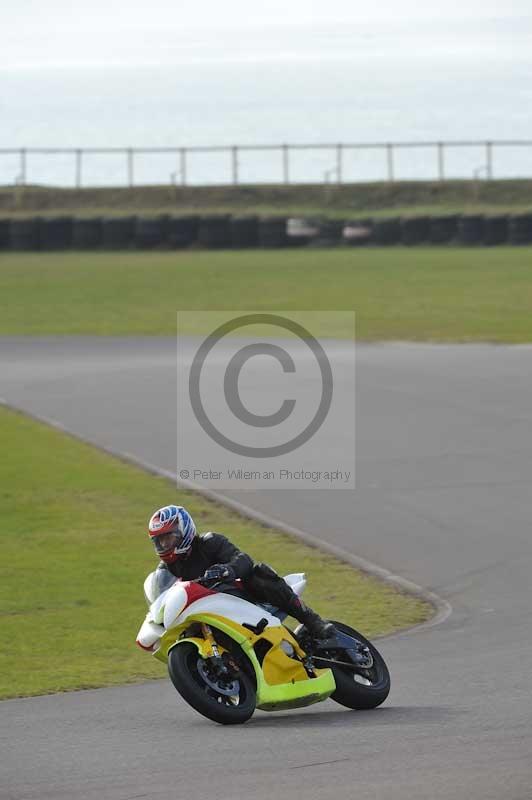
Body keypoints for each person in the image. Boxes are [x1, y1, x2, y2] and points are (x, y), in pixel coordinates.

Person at [147, 504, 334, 639]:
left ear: (183, 530)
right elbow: (163, 597)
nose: (164, 545)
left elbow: (243, 559)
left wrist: (226, 570)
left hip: (240, 597)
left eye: (168, 538)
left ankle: (313, 621)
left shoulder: (210, 542)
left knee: (259, 574)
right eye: (159, 541)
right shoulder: (166, 571)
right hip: (204, 614)